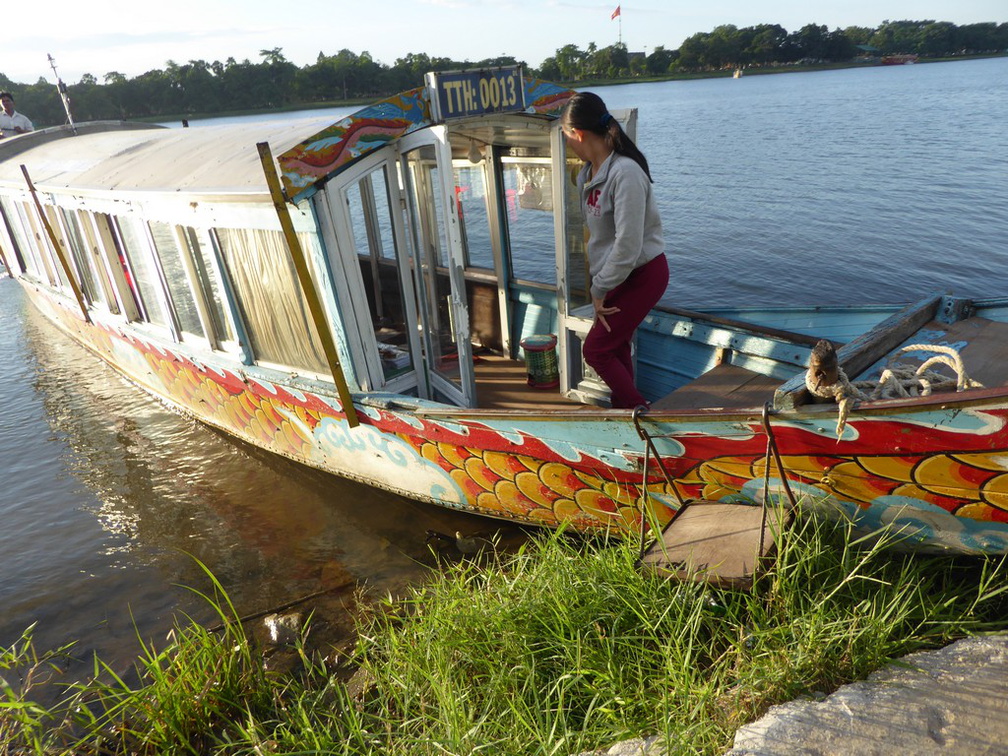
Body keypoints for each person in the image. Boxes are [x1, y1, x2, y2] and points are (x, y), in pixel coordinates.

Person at [561, 91, 669, 409]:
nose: (567, 143)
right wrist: (604, 282)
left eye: (566, 135)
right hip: (618, 276)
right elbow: (601, 237)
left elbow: (628, 243)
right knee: (615, 346)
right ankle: (625, 408)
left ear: (578, 134)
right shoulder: (588, 175)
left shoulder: (626, 174)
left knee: (595, 350)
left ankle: (640, 412)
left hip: (643, 274)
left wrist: (599, 288)